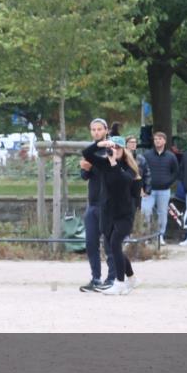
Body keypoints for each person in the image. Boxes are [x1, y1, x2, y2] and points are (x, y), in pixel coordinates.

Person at [82, 136, 142, 296]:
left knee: (115, 244)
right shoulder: (104, 164)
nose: (114, 150)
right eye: (112, 147)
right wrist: (100, 144)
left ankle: (119, 283)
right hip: (107, 212)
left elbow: (123, 181)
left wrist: (114, 162)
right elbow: (86, 153)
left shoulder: (130, 168)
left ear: (124, 150)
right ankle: (132, 278)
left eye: (118, 148)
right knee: (113, 247)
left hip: (124, 214)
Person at [78, 118, 116, 292]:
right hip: (92, 204)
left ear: (106, 130)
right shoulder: (90, 151)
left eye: (99, 129)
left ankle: (113, 278)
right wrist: (85, 168)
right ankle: (96, 278)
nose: (96, 133)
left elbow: (111, 171)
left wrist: (92, 165)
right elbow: (84, 176)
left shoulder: (112, 149)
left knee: (109, 243)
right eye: (93, 130)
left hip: (108, 204)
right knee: (91, 242)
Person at [140, 131, 178, 246]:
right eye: (156, 139)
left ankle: (160, 236)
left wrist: (168, 182)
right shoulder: (147, 155)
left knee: (162, 214)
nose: (157, 141)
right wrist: (142, 188)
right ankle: (147, 236)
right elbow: (141, 172)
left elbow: (175, 172)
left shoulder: (171, 156)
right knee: (145, 212)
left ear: (165, 141)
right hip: (148, 191)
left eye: (160, 139)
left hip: (164, 191)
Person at [126, 135, 151, 211]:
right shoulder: (122, 157)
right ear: (126, 144)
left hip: (138, 190)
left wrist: (147, 189)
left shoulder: (140, 158)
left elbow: (147, 174)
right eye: (131, 142)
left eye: (135, 142)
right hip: (125, 190)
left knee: (137, 212)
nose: (133, 144)